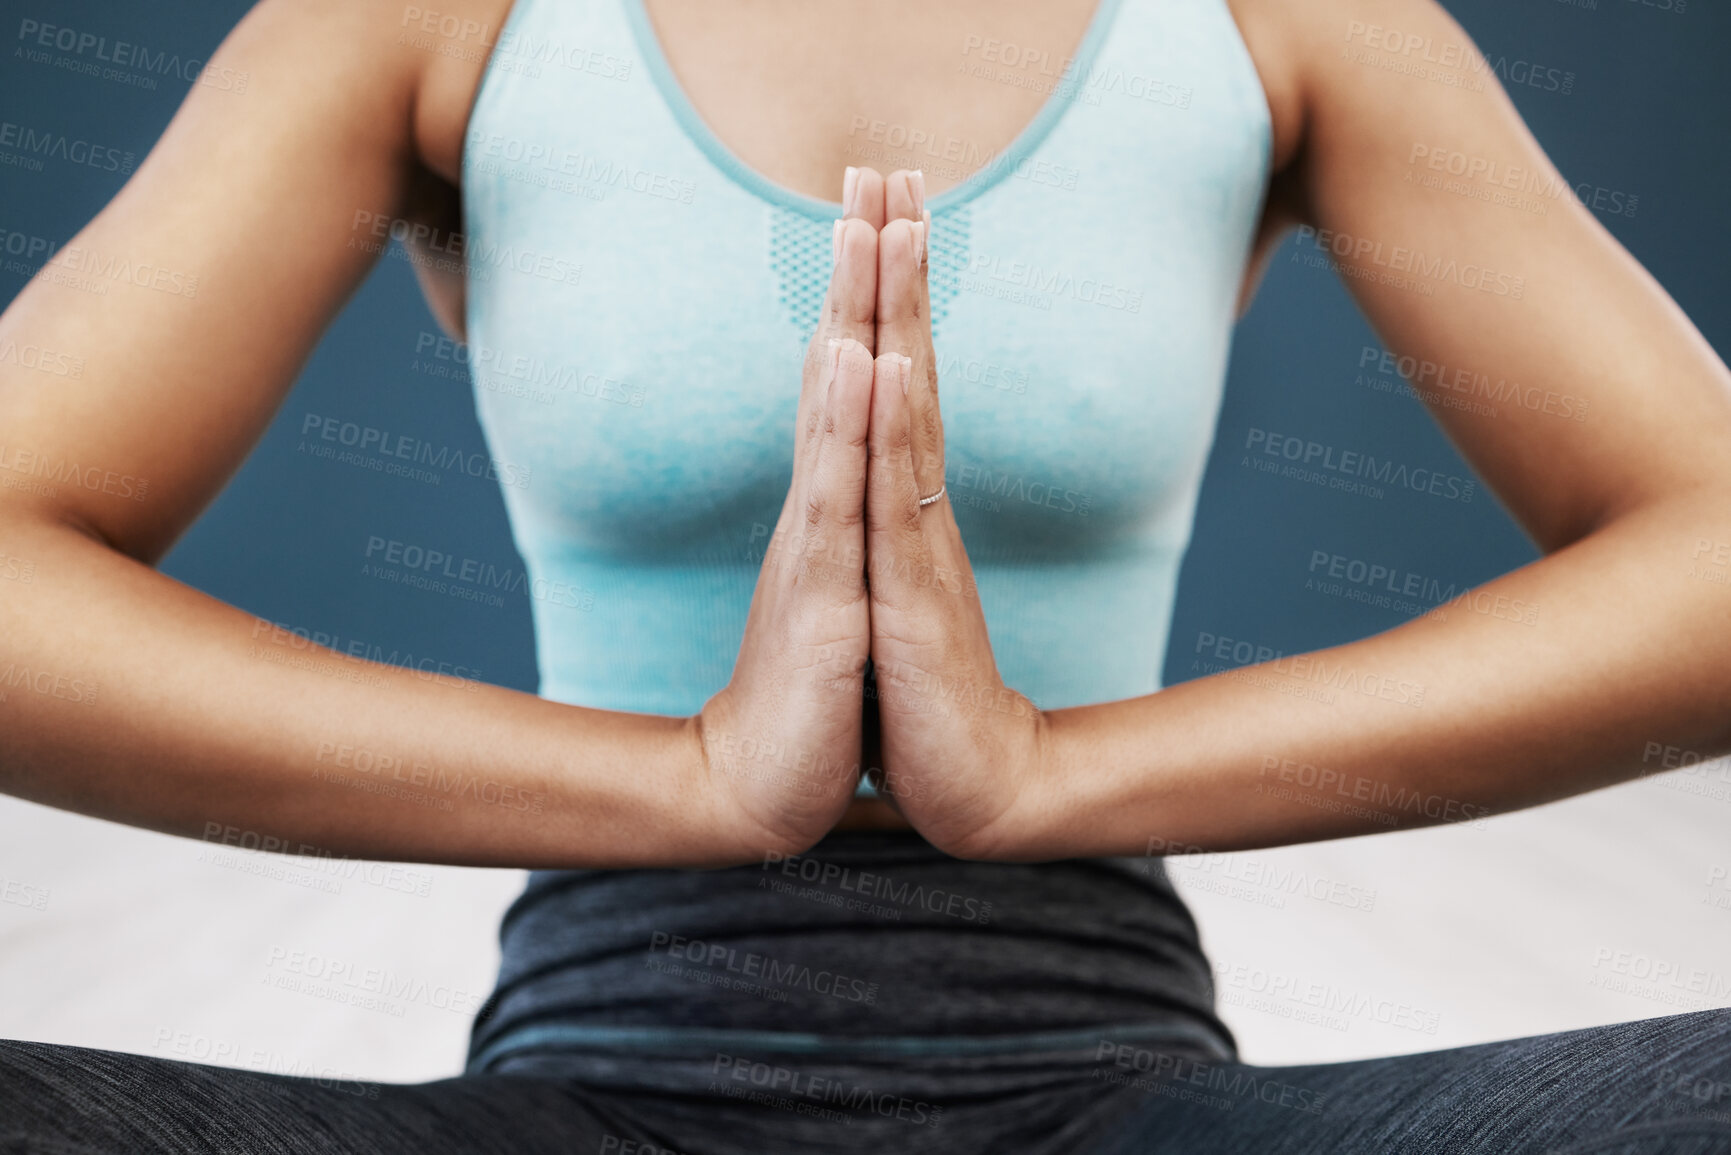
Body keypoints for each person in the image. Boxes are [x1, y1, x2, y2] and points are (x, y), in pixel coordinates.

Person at [1, 0, 1729, 1151]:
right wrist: (689, 776)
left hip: (1115, 1078)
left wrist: (1054, 770)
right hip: (597, 1076)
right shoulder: (430, 27)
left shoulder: (1284, 27)